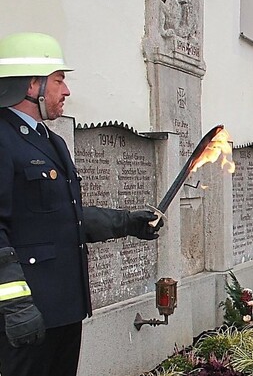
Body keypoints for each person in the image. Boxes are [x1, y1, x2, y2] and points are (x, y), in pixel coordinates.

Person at [0, 32, 163, 376]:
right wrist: (16, 306)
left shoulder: (51, 141)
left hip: (63, 309)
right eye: (59, 80)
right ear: (32, 85)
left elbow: (66, 218)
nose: (67, 91)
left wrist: (129, 223)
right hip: (25, 314)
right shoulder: (3, 139)